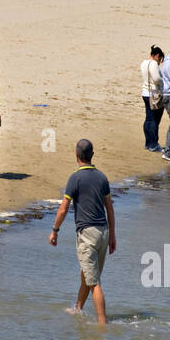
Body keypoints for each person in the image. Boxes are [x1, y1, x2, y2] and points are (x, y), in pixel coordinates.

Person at [49, 139, 116, 324]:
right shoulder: (102, 177)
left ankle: (103, 325)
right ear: (92, 155)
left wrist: (55, 230)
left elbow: (63, 208)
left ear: (76, 155)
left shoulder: (75, 178)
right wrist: (113, 236)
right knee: (86, 274)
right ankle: (77, 308)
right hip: (103, 233)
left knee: (94, 282)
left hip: (88, 235)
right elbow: (109, 208)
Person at [140, 46, 165, 152]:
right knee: (154, 120)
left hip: (145, 93)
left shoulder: (143, 63)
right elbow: (156, 78)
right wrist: (164, 81)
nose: (160, 62)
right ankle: (153, 144)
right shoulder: (154, 64)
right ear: (157, 56)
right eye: (160, 60)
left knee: (148, 119)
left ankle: (148, 143)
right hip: (154, 94)